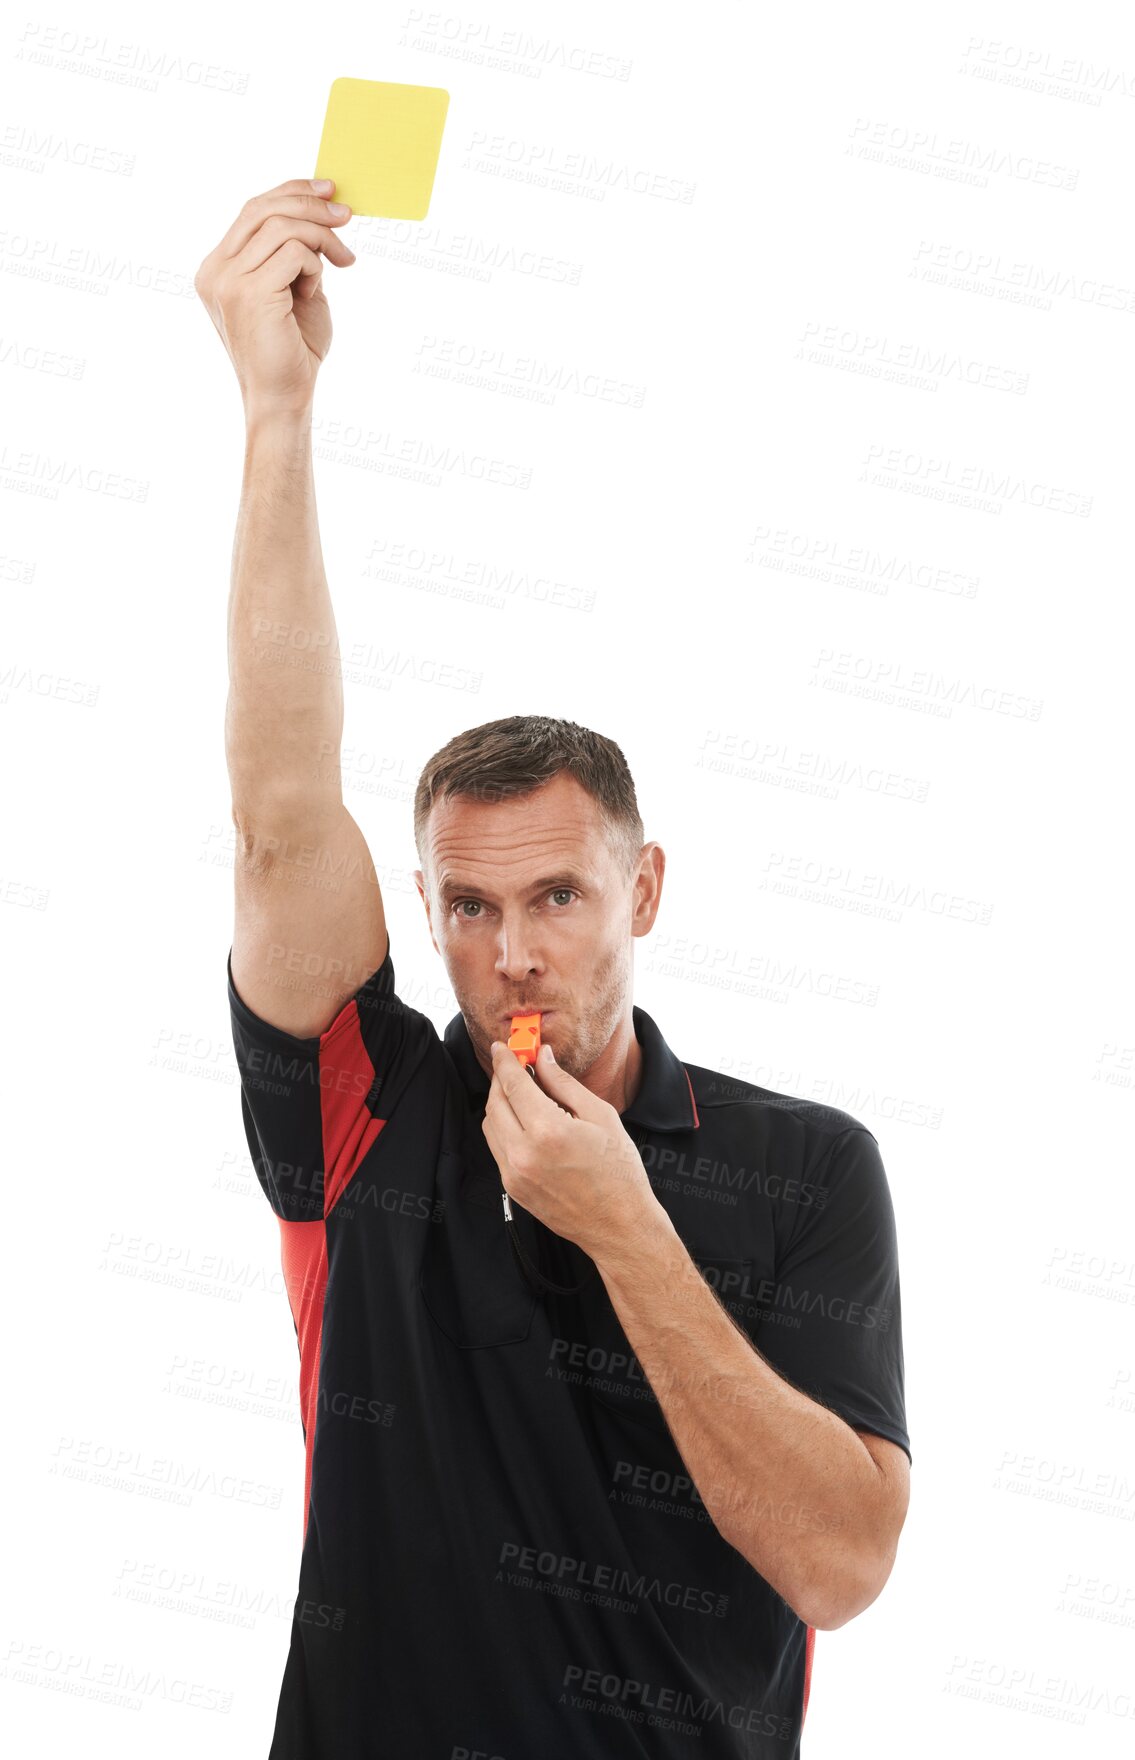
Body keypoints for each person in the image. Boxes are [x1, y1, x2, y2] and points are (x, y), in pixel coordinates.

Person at [196, 177, 911, 1759]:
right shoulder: (369, 1109)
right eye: (465, 906)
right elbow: (278, 814)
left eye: (559, 898)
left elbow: (843, 1563)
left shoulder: (807, 1168)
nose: (510, 949)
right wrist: (275, 409)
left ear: (642, 887)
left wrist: (628, 1230)